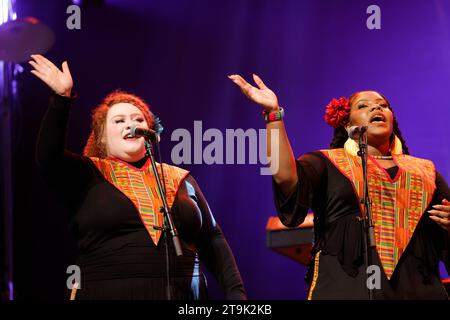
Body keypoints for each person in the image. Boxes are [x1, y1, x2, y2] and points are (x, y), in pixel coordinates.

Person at [30, 54, 247, 300]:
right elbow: (47, 158)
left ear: (150, 130)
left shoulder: (180, 178)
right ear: (101, 137)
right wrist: (62, 99)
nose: (130, 124)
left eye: (138, 119)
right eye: (119, 121)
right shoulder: (87, 173)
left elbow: (212, 238)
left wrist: (236, 296)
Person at [229, 73, 450, 299]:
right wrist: (273, 115)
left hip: (417, 290)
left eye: (383, 106)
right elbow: (285, 177)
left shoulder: (425, 171)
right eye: (364, 106)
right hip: (345, 287)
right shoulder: (326, 162)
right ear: (347, 123)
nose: (377, 109)